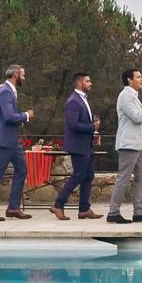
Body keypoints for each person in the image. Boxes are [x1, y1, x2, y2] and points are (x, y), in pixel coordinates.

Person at [107, 68, 142, 224]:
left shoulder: (134, 97)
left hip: (140, 144)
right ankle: (113, 212)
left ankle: (139, 212)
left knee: (141, 179)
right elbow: (136, 117)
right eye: (138, 77)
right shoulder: (125, 96)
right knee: (123, 179)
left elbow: (138, 120)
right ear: (129, 80)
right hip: (129, 144)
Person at [0, 64, 35, 222]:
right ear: (16, 74)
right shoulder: (5, 91)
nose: (24, 77)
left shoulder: (9, 90)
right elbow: (9, 116)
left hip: (12, 140)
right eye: (23, 75)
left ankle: (13, 208)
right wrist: (26, 115)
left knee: (22, 170)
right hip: (5, 140)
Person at [51, 72, 104, 221]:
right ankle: (58, 204)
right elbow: (73, 125)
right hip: (78, 146)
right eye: (88, 81)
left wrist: (94, 134)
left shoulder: (83, 100)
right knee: (78, 175)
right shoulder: (73, 101)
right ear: (80, 83)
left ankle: (84, 209)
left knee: (88, 176)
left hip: (86, 145)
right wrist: (91, 126)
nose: (90, 83)